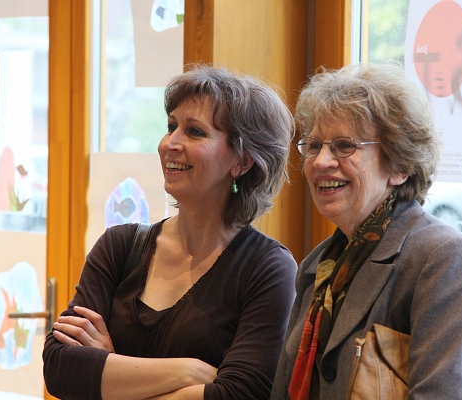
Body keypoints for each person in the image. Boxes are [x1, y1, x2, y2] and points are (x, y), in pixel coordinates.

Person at [43, 65, 298, 400]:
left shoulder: (268, 268)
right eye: (171, 126)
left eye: (195, 132)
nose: (169, 144)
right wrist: (188, 372)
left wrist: (112, 370)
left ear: (242, 162)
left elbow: (239, 395)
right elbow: (60, 368)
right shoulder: (120, 246)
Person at [271, 62, 462, 399]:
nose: (320, 161)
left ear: (399, 166)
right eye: (314, 145)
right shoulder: (317, 265)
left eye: (344, 146)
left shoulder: (443, 257)